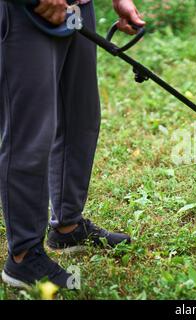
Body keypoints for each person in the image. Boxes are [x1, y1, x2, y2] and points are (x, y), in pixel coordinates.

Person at [0, 0, 145, 288]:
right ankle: (23, 256)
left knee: (80, 118)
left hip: (78, 8)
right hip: (29, 11)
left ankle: (68, 226)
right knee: (29, 135)